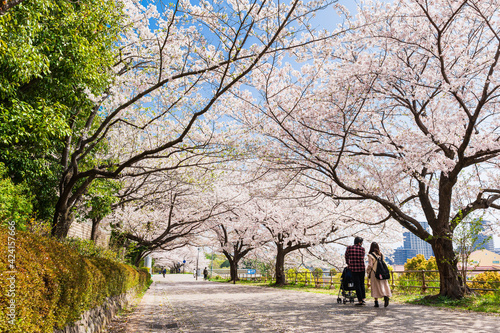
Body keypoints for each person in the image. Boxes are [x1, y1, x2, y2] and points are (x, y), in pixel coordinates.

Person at [367, 242, 392, 307]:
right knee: (383, 285)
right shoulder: (381, 254)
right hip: (382, 273)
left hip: (374, 272)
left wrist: (367, 271)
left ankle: (376, 302)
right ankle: (385, 296)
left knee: (375, 287)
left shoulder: (370, 255)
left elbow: (370, 265)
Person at [345, 236, 366, 306]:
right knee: (362, 283)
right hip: (362, 268)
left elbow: (346, 257)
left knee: (357, 284)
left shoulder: (349, 248)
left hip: (353, 268)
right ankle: (363, 299)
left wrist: (349, 264)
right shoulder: (362, 249)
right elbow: (362, 257)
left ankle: (360, 301)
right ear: (359, 243)